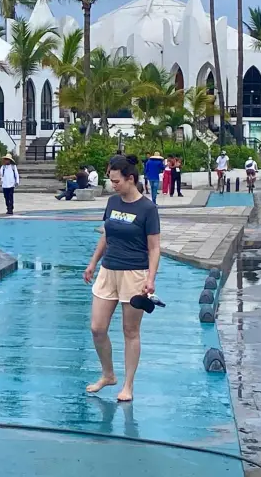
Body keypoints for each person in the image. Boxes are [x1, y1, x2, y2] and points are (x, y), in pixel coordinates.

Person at [82, 155, 161, 402]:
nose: (113, 185)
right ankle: (108, 374)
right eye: (111, 180)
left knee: (130, 331)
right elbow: (106, 234)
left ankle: (128, 385)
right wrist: (93, 262)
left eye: (116, 181)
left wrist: (150, 278)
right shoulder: (113, 202)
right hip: (108, 270)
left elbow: (154, 247)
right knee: (97, 328)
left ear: (131, 179)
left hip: (134, 274)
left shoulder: (148, 208)